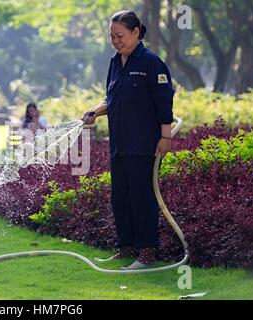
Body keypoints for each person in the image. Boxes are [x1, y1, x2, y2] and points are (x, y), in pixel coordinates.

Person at [82, 10, 175, 270]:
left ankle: (147, 254)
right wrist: (94, 112)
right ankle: (125, 248)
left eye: (120, 35)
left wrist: (165, 136)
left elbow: (164, 102)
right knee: (120, 198)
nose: (116, 41)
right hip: (119, 144)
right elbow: (110, 99)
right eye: (112, 36)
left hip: (144, 144)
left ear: (136, 33)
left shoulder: (151, 63)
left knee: (142, 197)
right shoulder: (115, 62)